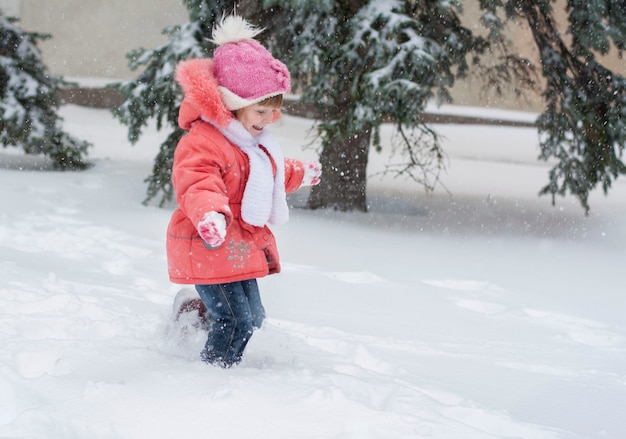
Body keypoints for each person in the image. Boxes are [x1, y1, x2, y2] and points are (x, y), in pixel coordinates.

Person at [166, 14, 321, 368]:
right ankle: (213, 374)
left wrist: (299, 173)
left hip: (236, 244)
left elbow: (264, 177)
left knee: (254, 317)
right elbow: (197, 181)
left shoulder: (252, 144)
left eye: (274, 111)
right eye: (261, 110)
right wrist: (210, 214)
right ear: (232, 103)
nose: (268, 119)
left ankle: (194, 312)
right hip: (207, 241)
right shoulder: (204, 141)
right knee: (235, 321)